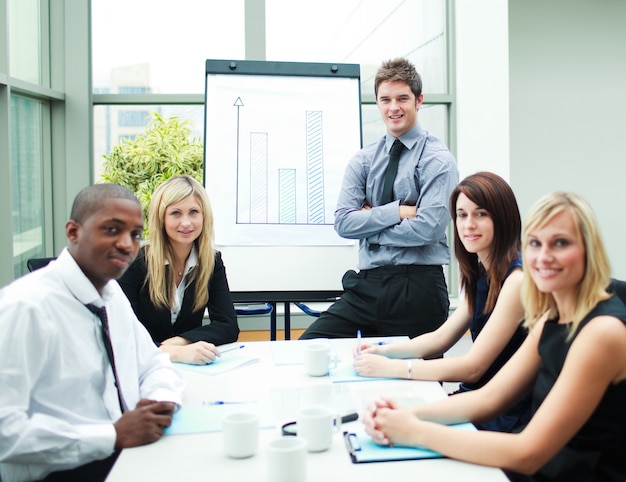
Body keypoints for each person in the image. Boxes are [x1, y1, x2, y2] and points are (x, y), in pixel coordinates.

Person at [364, 192, 626, 482]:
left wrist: (414, 431)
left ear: (590, 250)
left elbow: (529, 453)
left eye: (560, 243)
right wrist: (409, 413)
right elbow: (489, 398)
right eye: (535, 243)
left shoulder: (602, 332)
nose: (543, 257)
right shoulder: (554, 315)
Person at [0, 184, 184, 482]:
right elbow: (5, 431)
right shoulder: (26, 307)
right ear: (73, 232)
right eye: (112, 229)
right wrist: (111, 435)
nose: (127, 244)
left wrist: (158, 402)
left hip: (124, 458)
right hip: (61, 472)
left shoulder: (111, 294)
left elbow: (154, 363)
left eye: (136, 234)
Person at [353, 171, 530, 432]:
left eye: (481, 214)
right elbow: (441, 338)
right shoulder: (482, 272)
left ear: (502, 218)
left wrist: (393, 367)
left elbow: (473, 367)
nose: (468, 225)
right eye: (462, 215)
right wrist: (383, 351)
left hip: (502, 410)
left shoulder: (516, 281)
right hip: (475, 399)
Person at [300, 57, 459, 340]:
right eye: (385, 99)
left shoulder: (438, 160)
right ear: (377, 102)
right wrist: (398, 211)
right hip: (366, 287)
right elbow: (344, 223)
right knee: (308, 348)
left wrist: (370, 229)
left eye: (402, 98)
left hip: (418, 288)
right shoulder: (363, 160)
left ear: (418, 100)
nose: (393, 107)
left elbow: (428, 229)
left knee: (415, 380)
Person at [118, 175, 239, 365]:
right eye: (176, 213)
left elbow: (228, 326)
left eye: (193, 212)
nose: (186, 223)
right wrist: (170, 353)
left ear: (203, 216)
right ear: (161, 218)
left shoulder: (211, 262)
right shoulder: (135, 262)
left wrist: (179, 342)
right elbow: (121, 333)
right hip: (139, 369)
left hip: (190, 370)